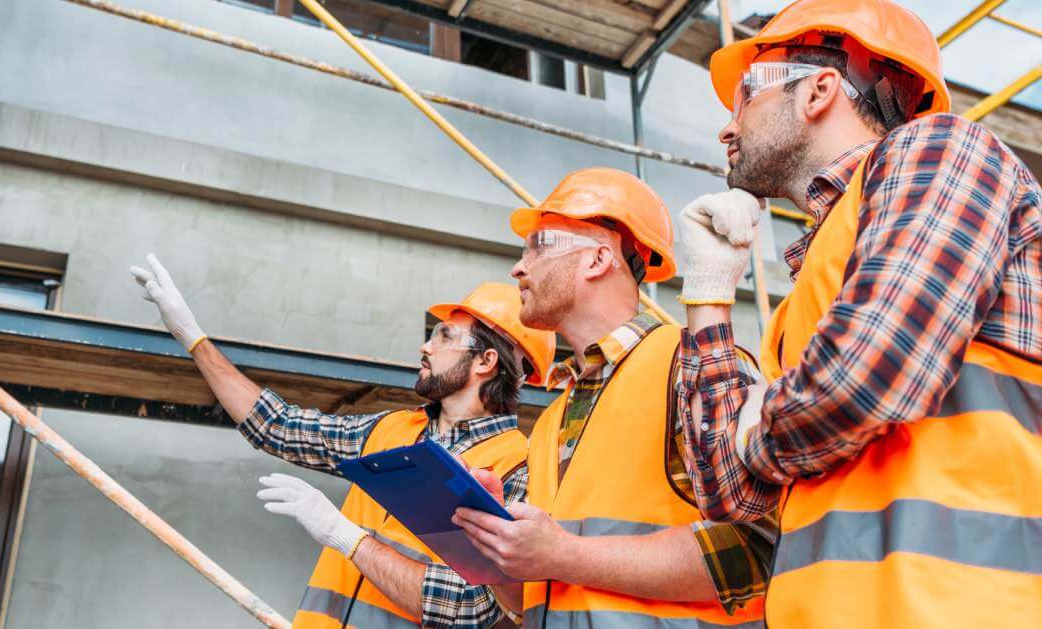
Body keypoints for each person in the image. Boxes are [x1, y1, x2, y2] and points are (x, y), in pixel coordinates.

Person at [675, 0, 1042, 626]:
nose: (726, 128)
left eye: (743, 97)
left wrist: (755, 430)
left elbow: (870, 370)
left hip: (959, 608)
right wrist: (708, 294)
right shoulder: (808, 295)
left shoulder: (941, 150)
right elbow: (725, 489)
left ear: (819, 90)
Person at [130, 259, 555, 628]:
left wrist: (344, 536)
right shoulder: (391, 431)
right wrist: (193, 338)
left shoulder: (518, 468)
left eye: (444, 336)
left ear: (485, 361)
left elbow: (468, 606)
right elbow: (276, 425)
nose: (425, 346)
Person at [453, 169, 773, 627]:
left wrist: (566, 554)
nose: (518, 267)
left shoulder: (693, 363)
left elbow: (758, 549)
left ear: (599, 260)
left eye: (539, 245)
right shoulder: (551, 420)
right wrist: (493, 542)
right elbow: (533, 597)